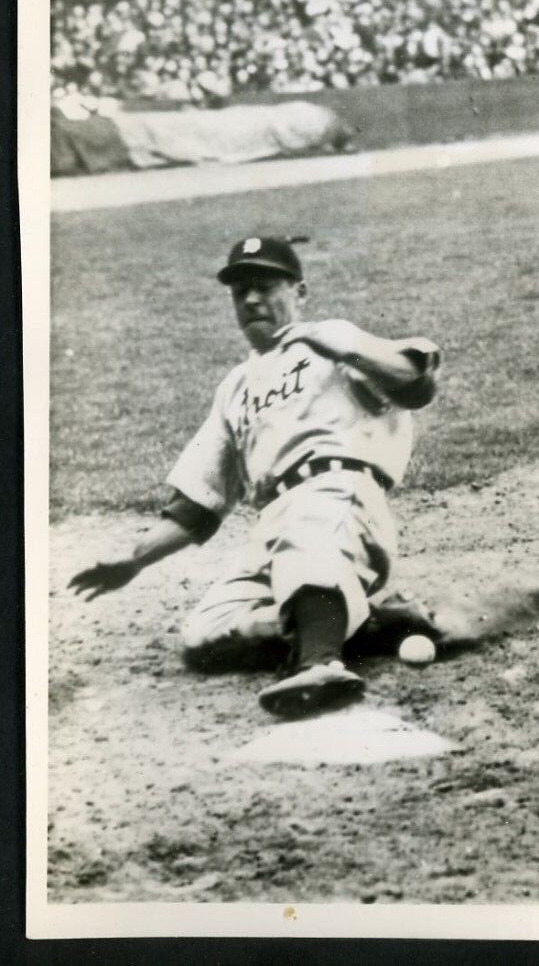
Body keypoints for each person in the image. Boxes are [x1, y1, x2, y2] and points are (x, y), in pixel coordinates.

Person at [67, 236, 447, 716]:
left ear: (300, 292)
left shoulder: (334, 341)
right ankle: (373, 622)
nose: (250, 300)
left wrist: (342, 347)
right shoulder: (235, 388)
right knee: (206, 634)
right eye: (240, 291)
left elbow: (417, 384)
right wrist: (133, 560)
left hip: (338, 497)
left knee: (310, 538)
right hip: (275, 526)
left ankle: (320, 663)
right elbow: (197, 508)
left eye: (264, 286)